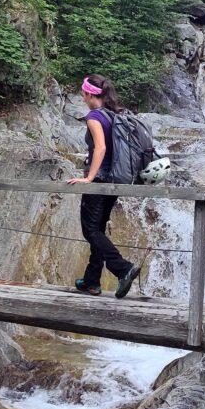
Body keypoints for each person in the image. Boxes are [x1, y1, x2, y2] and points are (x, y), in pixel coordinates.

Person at [67, 74, 142, 298]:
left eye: (83, 92)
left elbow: (99, 148)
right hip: (113, 181)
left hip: (99, 181)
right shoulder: (113, 115)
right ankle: (91, 281)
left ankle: (122, 268)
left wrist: (89, 178)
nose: (82, 96)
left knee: (89, 230)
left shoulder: (94, 116)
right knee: (97, 230)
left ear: (90, 94)